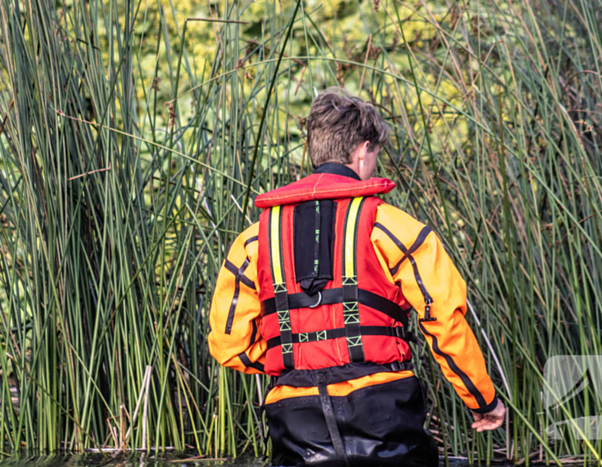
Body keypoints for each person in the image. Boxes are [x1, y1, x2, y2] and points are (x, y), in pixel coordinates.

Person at [208, 88, 506, 467]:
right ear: (362, 150)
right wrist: (482, 401)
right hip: (383, 414)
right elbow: (445, 321)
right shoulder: (395, 227)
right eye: (375, 156)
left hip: (294, 417)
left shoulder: (252, 241)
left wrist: (297, 357)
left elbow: (227, 344)